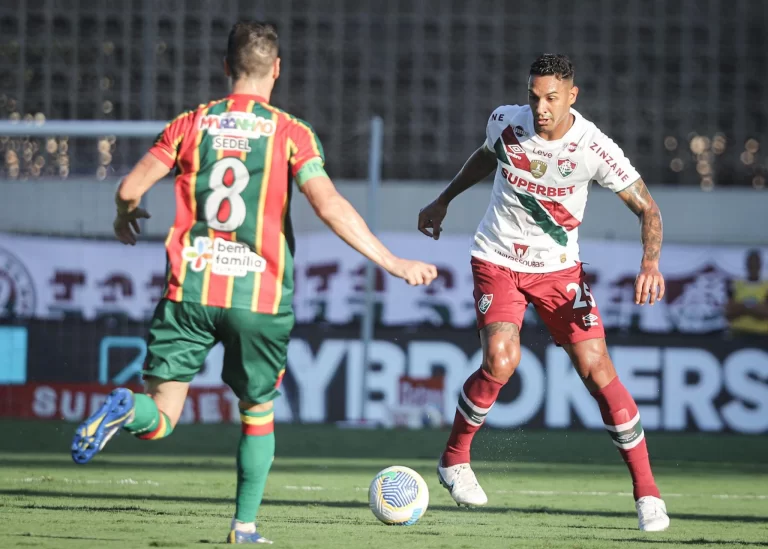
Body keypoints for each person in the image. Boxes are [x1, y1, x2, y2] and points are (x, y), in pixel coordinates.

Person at [71, 20, 437, 545]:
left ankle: (128, 408)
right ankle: (243, 529)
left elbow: (130, 187)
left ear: (226, 67)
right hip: (258, 296)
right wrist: (393, 261)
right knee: (257, 412)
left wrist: (122, 214)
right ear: (277, 70)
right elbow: (328, 204)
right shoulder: (291, 132)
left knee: (164, 417)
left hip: (191, 289)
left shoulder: (190, 123)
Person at [417, 54, 670, 532]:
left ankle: (648, 494)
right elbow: (487, 154)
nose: (541, 108)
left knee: (598, 372)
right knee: (501, 359)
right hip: (497, 259)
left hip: (558, 273)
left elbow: (648, 209)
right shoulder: (505, 121)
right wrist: (443, 199)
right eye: (535, 97)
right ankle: (454, 460)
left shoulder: (594, 147)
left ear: (571, 96)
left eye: (551, 98)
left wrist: (650, 263)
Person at [725, 249, 768, 336]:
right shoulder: (735, 285)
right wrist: (755, 307)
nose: (753, 265)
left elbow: (765, 313)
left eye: (756, 263)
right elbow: (729, 313)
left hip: (761, 336)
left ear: (760, 265)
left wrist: (742, 307)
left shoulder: (766, 286)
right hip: (737, 333)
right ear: (746, 264)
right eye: (751, 263)